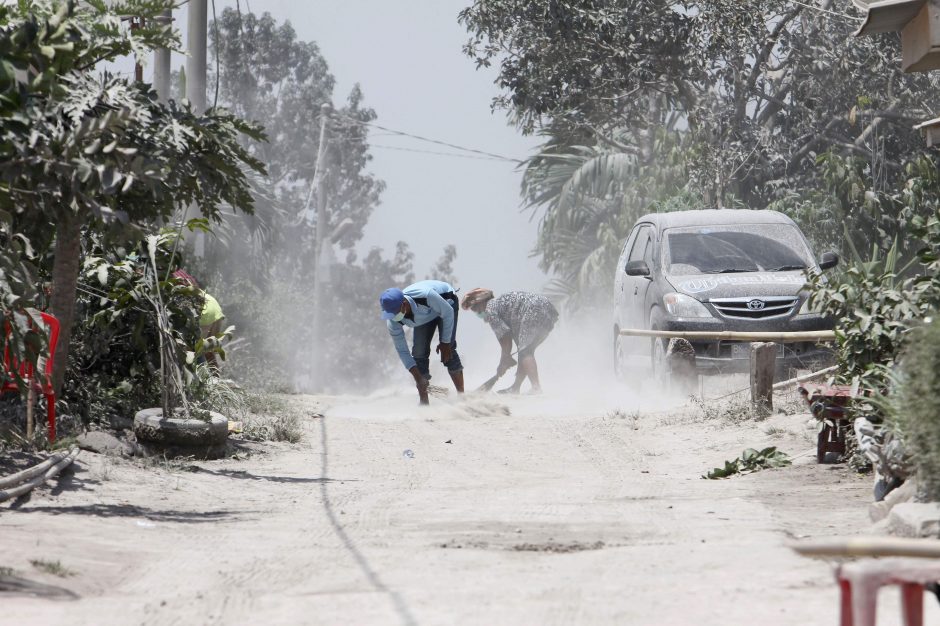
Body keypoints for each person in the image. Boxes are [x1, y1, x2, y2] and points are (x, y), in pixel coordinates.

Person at [380, 280, 464, 405]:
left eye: (394, 312)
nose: (392, 317)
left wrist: (445, 342)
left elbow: (447, 313)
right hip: (424, 317)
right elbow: (402, 350)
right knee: (419, 353)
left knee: (449, 350)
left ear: (404, 304)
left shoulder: (426, 295)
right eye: (390, 314)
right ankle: (424, 403)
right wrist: (418, 378)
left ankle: (463, 399)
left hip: (446, 303)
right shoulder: (393, 321)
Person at [461, 288, 558, 394]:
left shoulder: (490, 309)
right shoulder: (502, 307)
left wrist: (504, 360)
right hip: (547, 310)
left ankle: (536, 387)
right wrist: (505, 359)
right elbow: (512, 343)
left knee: (525, 352)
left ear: (482, 301)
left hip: (532, 309)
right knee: (525, 351)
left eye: (475, 307)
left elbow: (505, 338)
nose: (476, 312)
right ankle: (515, 388)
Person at [172, 270, 225, 366]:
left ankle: (198, 378)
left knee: (190, 351)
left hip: (200, 312)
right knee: (209, 352)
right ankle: (216, 379)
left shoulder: (171, 279)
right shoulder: (181, 273)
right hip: (213, 305)